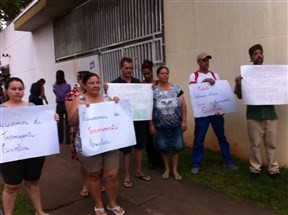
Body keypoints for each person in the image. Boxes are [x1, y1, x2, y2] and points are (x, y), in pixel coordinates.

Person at [67, 72, 124, 215]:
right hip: (89, 143)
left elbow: (118, 116)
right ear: (84, 85)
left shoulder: (106, 98)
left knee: (112, 175)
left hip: (109, 142)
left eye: (98, 82)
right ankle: (99, 204)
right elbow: (72, 122)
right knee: (94, 175)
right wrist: (80, 108)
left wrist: (118, 103)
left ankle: (112, 203)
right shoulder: (79, 99)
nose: (95, 85)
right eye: (91, 83)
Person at [0, 77, 58, 215]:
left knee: (33, 182)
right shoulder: (1, 110)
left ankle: (39, 211)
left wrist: (52, 119)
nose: (17, 92)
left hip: (33, 152)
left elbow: (41, 126)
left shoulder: (32, 107)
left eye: (20, 89)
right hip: (10, 153)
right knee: (11, 186)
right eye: (13, 89)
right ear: (6, 90)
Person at [234, 44, 280, 180]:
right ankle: (255, 169)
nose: (259, 55)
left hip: (270, 115)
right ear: (251, 58)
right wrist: (238, 84)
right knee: (255, 144)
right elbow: (240, 95)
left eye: (261, 53)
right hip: (254, 116)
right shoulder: (245, 75)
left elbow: (279, 90)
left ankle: (273, 169)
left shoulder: (271, 73)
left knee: (272, 144)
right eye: (255, 54)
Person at [189, 52, 238, 174]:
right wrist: (204, 82)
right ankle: (196, 163)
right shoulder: (193, 76)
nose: (206, 62)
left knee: (222, 137)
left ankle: (228, 161)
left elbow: (219, 93)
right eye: (203, 60)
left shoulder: (215, 75)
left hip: (215, 113)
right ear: (198, 62)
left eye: (207, 60)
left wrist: (221, 110)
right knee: (199, 139)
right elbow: (194, 92)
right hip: (202, 114)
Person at [110, 57, 152, 188]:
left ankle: (139, 171)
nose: (129, 70)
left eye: (131, 68)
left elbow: (144, 98)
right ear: (121, 68)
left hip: (138, 119)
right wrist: (109, 93)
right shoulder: (114, 84)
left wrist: (150, 89)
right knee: (127, 150)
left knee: (139, 147)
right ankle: (127, 175)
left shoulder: (137, 82)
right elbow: (110, 102)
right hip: (124, 122)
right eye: (126, 68)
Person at [149, 66, 187, 180]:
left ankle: (175, 169)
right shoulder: (153, 91)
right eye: (162, 73)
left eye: (166, 73)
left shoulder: (176, 88)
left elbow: (183, 105)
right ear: (158, 75)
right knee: (163, 147)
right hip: (160, 126)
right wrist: (151, 125)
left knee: (176, 147)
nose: (164, 75)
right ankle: (167, 168)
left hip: (176, 124)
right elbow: (149, 108)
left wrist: (184, 121)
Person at [65, 71, 91, 197]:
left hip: (93, 130)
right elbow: (71, 115)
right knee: (83, 161)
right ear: (80, 81)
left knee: (96, 159)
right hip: (79, 130)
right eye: (83, 79)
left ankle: (95, 182)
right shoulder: (72, 95)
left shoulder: (94, 93)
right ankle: (86, 185)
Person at [141, 60, 162, 169]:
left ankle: (161, 159)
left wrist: (156, 88)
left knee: (159, 138)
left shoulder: (158, 83)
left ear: (152, 72)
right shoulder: (140, 84)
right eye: (144, 73)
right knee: (148, 139)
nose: (147, 75)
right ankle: (151, 160)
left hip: (158, 114)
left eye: (148, 73)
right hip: (145, 115)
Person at [53, 70, 71, 144]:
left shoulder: (54, 85)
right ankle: (68, 140)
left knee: (59, 122)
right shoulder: (68, 86)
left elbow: (55, 92)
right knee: (67, 122)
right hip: (66, 103)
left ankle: (60, 139)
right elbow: (70, 94)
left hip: (59, 104)